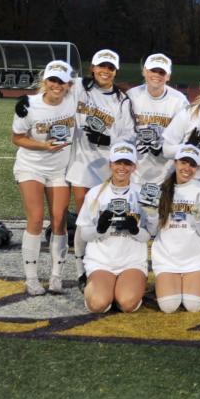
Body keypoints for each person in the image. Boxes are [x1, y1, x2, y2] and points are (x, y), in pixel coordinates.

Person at [67, 49, 136, 286]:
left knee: (105, 216)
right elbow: (53, 88)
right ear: (93, 68)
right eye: (101, 67)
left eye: (110, 68)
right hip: (81, 162)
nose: (106, 71)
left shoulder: (122, 100)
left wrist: (109, 140)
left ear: (115, 71)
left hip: (107, 164)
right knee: (83, 218)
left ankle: (103, 262)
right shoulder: (78, 87)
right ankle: (80, 269)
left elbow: (128, 134)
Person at [11, 60, 77, 295]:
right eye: (52, 80)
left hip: (60, 170)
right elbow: (17, 138)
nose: (56, 85)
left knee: (59, 220)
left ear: (70, 84)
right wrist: (43, 146)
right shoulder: (29, 105)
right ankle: (31, 278)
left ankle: (56, 276)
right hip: (31, 167)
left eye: (61, 81)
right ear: (45, 81)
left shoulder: (73, 99)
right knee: (37, 219)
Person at [76, 143, 153, 313]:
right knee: (98, 304)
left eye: (127, 163)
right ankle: (101, 288)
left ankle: (121, 290)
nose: (122, 168)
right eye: (118, 163)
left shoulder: (143, 195)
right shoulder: (95, 193)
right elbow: (84, 234)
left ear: (134, 167)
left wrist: (135, 230)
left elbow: (148, 236)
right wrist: (100, 229)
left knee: (127, 303)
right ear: (111, 164)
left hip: (132, 261)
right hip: (101, 261)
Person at [151, 145, 200, 313]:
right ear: (175, 163)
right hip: (166, 258)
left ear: (197, 168)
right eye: (183, 162)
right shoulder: (160, 189)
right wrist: (151, 214)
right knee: (169, 307)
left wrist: (198, 221)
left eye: (192, 164)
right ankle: (167, 283)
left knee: (194, 307)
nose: (187, 168)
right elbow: (152, 232)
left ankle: (198, 282)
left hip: (195, 260)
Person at [127, 53, 189, 185]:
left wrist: (164, 147)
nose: (156, 75)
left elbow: (184, 137)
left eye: (161, 72)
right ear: (144, 71)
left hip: (165, 172)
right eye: (153, 70)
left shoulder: (179, 101)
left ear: (168, 76)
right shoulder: (132, 96)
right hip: (134, 170)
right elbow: (123, 130)